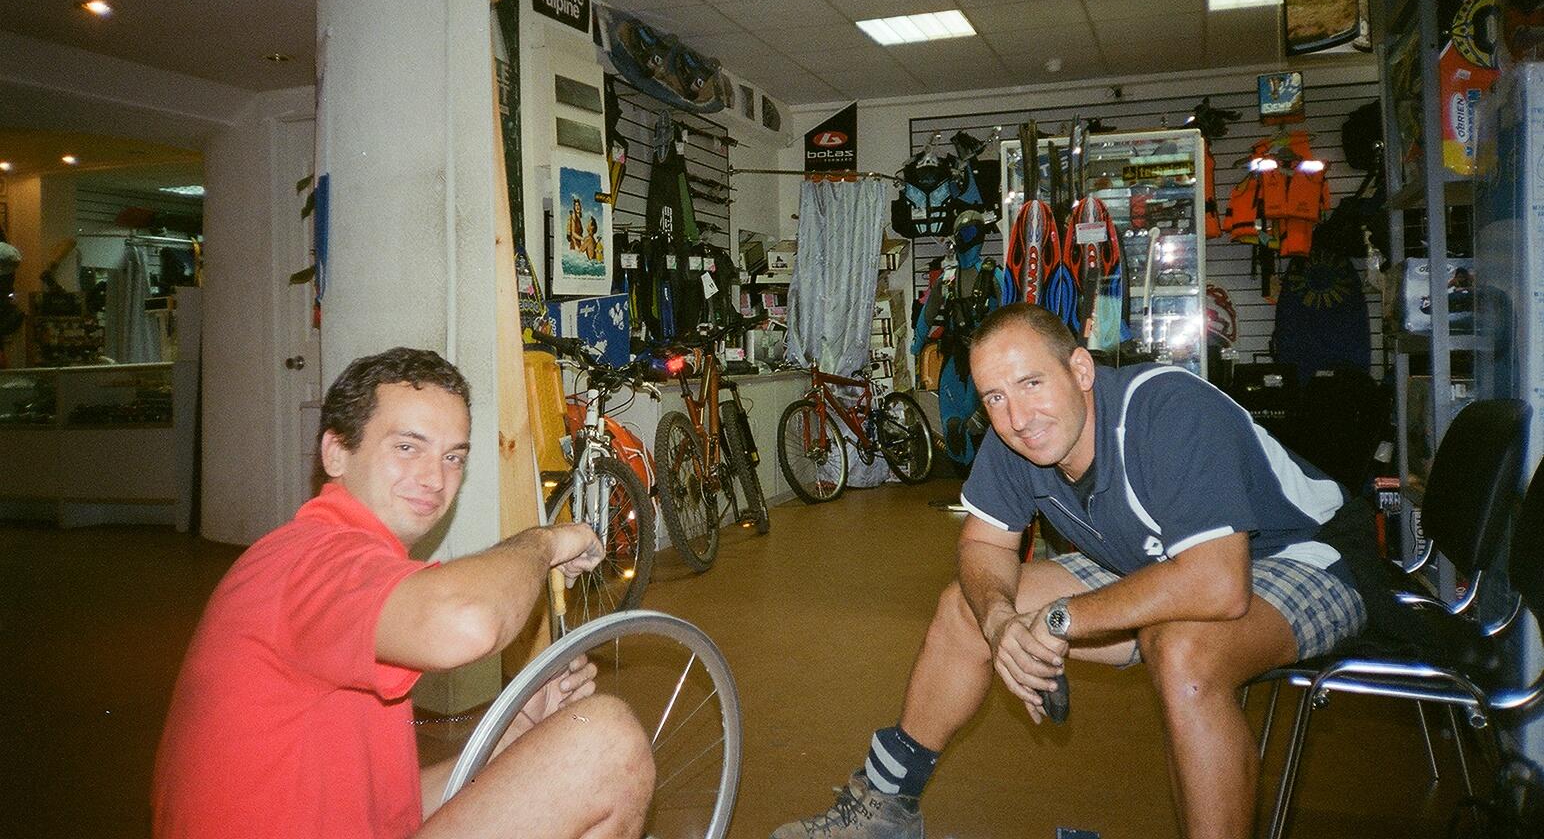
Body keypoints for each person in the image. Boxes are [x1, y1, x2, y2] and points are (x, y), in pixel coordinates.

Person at [773, 303, 1386, 839]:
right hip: (1159, 561)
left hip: (1304, 555)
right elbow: (983, 548)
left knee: (1182, 648)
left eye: (1032, 383)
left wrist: (1058, 621)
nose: (1018, 417)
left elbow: (1217, 584)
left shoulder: (1169, 410)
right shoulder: (1015, 441)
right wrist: (1001, 623)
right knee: (968, 607)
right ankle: (884, 808)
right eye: (995, 397)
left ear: (1081, 371)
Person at [153, 347, 654, 839]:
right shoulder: (310, 561)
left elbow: (394, 812)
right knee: (606, 742)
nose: (435, 478)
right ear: (335, 453)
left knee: (580, 742)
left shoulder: (330, 565)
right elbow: (468, 621)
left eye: (453, 457)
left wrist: (518, 729)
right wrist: (545, 543)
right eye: (408, 447)